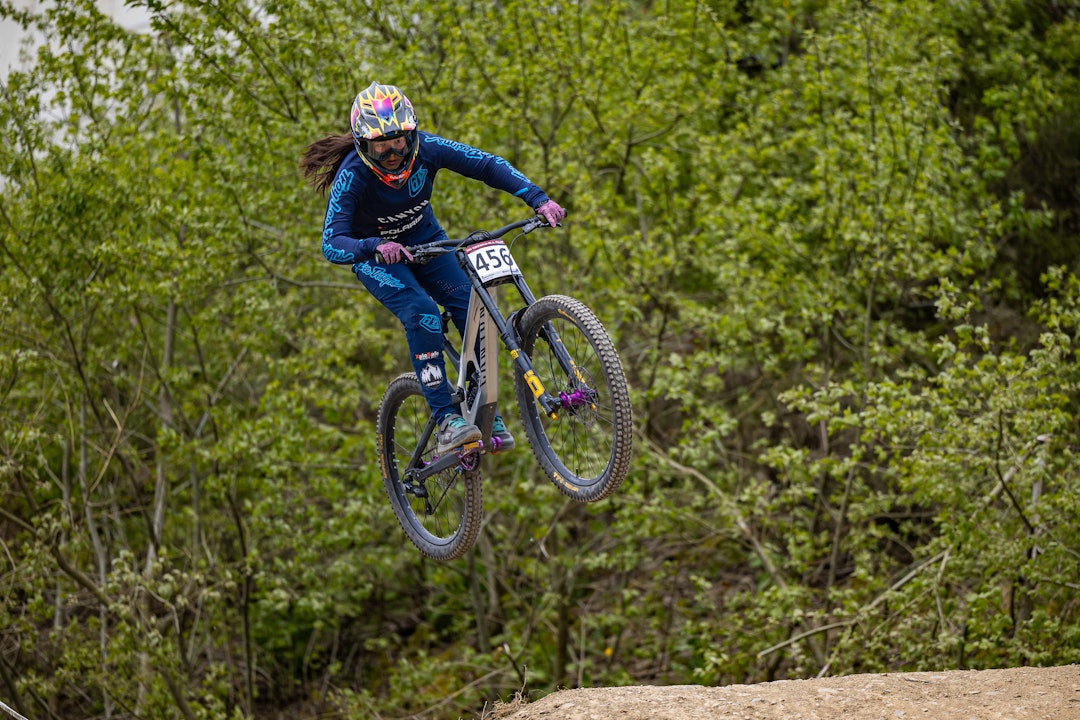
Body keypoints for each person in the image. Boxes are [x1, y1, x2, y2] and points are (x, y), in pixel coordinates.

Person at [299, 82, 566, 454]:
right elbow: (331, 243)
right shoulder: (353, 175)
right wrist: (374, 246)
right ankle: (446, 420)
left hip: (427, 242)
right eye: (381, 144)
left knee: (473, 306)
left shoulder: (429, 148)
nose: (392, 152)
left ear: (412, 133)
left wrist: (538, 198)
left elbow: (487, 165)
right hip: (378, 258)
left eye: (399, 141)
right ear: (364, 145)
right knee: (423, 312)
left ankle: (481, 405)